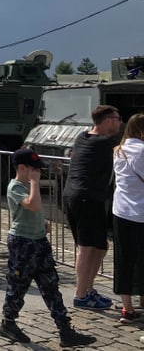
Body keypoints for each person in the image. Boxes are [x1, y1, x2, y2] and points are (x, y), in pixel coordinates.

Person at [0, 149, 96, 347]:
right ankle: (8, 323)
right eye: (34, 170)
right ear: (22, 168)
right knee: (18, 286)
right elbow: (32, 205)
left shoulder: (28, 185)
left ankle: (65, 330)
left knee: (51, 286)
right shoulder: (15, 186)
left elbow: (37, 210)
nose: (38, 173)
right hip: (22, 242)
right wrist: (34, 183)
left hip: (39, 241)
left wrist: (42, 223)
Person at [63, 104, 122, 309]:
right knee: (87, 249)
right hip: (88, 198)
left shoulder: (82, 136)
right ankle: (81, 294)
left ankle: (88, 289)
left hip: (76, 196)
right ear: (107, 120)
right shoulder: (107, 142)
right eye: (117, 118)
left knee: (100, 247)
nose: (120, 122)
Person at [111, 113, 144, 324]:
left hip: (121, 209)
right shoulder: (142, 150)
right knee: (142, 259)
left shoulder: (118, 150)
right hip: (141, 211)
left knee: (123, 258)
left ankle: (127, 308)